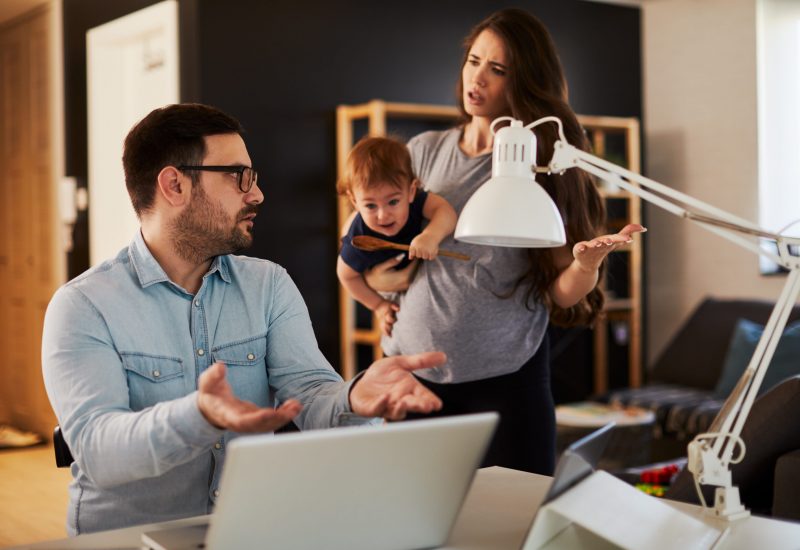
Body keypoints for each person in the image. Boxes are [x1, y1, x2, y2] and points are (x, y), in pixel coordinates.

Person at [41, 103, 444, 536]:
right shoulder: (83, 306)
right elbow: (99, 451)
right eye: (239, 176)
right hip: (126, 542)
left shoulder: (268, 285)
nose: (256, 194)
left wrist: (353, 397)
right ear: (174, 184)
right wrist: (198, 415)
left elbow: (309, 392)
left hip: (248, 532)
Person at [366, 8, 645, 475]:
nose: (478, 79)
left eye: (498, 70)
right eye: (474, 61)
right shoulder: (421, 152)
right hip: (411, 374)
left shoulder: (542, 163)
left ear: (526, 81)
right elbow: (372, 258)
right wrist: (380, 300)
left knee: (508, 529)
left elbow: (559, 293)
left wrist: (585, 266)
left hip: (505, 383)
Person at [336, 136, 457, 335]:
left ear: (411, 191)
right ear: (355, 202)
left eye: (392, 202)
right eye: (370, 205)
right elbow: (346, 276)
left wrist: (431, 236)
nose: (383, 215)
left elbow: (445, 211)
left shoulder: (417, 201)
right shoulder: (359, 240)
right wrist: (378, 306)